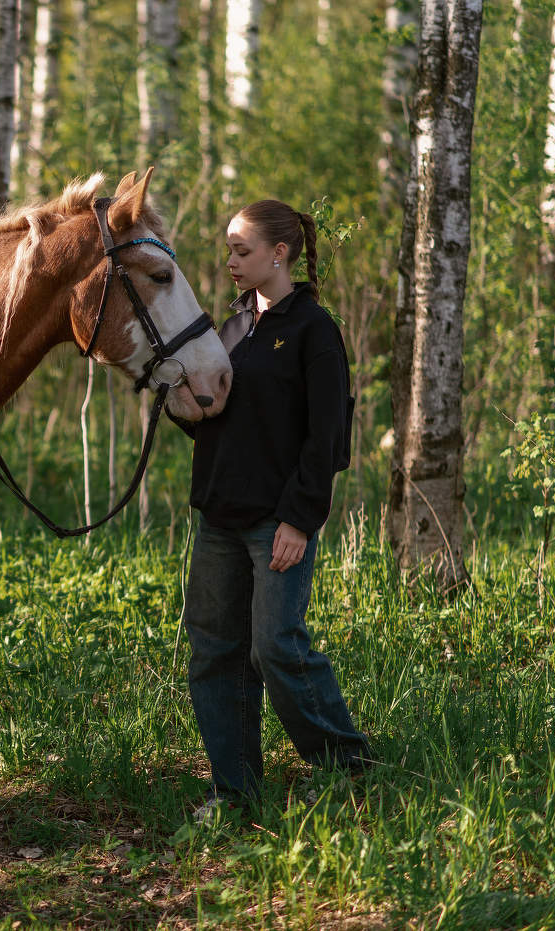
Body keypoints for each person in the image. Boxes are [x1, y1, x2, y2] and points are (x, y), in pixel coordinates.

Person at [172, 198, 373, 818]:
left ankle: (346, 764)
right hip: (218, 519)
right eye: (229, 249)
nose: (230, 261)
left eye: (242, 250)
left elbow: (329, 436)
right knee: (213, 653)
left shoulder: (315, 330)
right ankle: (234, 791)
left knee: (275, 648)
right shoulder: (226, 331)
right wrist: (182, 408)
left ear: (278, 253)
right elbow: (224, 427)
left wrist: (300, 519)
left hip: (275, 523)